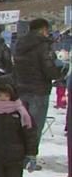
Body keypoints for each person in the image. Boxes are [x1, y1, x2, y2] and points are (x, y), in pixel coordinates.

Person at [13, 18, 63, 155]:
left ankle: (18, 154)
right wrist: (61, 71)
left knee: (22, 124)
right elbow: (49, 70)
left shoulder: (19, 44)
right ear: (43, 30)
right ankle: (30, 157)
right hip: (39, 90)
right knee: (35, 127)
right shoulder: (43, 45)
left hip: (21, 88)